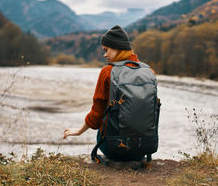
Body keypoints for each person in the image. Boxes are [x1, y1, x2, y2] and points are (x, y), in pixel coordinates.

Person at [63, 25, 155, 161]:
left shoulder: (108, 71)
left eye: (106, 50)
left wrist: (79, 131)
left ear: (117, 48)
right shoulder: (149, 72)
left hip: (114, 148)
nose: (104, 55)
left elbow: (97, 112)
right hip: (145, 147)